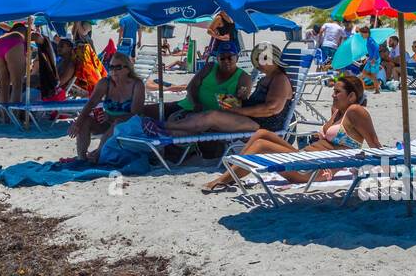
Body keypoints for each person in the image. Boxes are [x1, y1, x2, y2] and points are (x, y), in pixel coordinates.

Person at [201, 74, 379, 191]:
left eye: (337, 92)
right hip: (304, 158)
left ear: (352, 96)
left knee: (262, 145)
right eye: (333, 91)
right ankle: (232, 175)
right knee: (262, 133)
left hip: (313, 170)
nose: (333, 95)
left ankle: (224, 180)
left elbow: (374, 144)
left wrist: (389, 167)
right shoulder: (338, 111)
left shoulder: (356, 111)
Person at [147, 41, 254, 134]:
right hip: (189, 105)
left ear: (237, 58)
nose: (226, 61)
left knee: (174, 125)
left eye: (230, 57)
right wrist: (195, 103)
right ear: (217, 58)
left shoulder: (244, 77)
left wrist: (243, 93)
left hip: (209, 117)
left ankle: (160, 130)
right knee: (148, 110)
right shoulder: (209, 67)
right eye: (222, 58)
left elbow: (243, 95)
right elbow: (191, 87)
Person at [69, 51, 145, 161]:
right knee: (84, 121)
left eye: (117, 67)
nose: (113, 71)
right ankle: (82, 158)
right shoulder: (105, 83)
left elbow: (135, 114)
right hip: (108, 124)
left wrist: (110, 117)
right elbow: (90, 103)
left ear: (127, 69)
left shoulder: (137, 85)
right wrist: (78, 123)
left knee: (118, 122)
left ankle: (98, 153)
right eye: (111, 67)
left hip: (129, 127)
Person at [0, 22, 30, 117]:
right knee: (17, 84)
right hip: (13, 43)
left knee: (3, 84)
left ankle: (5, 117)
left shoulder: (6, 34)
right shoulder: (24, 34)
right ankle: (14, 118)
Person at [354, 24, 384, 93]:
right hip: (371, 59)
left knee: (373, 75)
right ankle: (377, 82)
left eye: (362, 34)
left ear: (366, 33)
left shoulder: (370, 40)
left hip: (375, 60)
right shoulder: (368, 40)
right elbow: (371, 50)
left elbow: (376, 48)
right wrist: (369, 58)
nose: (361, 36)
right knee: (364, 72)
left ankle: (377, 89)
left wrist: (373, 59)